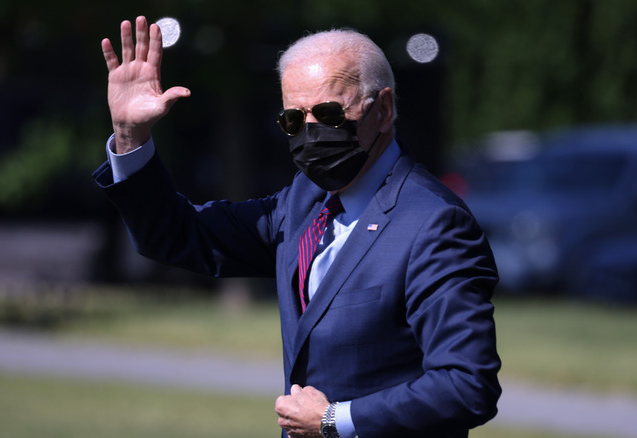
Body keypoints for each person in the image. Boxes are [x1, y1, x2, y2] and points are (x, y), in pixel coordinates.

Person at [93, 16, 501, 438]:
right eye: (293, 119)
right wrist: (129, 136)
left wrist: (333, 421)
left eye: (327, 113)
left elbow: (467, 385)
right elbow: (178, 235)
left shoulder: (434, 223)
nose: (309, 133)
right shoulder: (305, 200)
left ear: (383, 110)